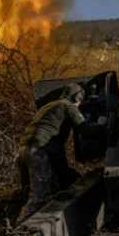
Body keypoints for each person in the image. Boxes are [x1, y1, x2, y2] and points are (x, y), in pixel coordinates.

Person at [17, 83, 86, 221]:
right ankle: (20, 226)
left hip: (24, 149)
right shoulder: (69, 106)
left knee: (32, 190)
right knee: (39, 197)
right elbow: (84, 127)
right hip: (39, 150)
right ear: (77, 97)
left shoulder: (47, 106)